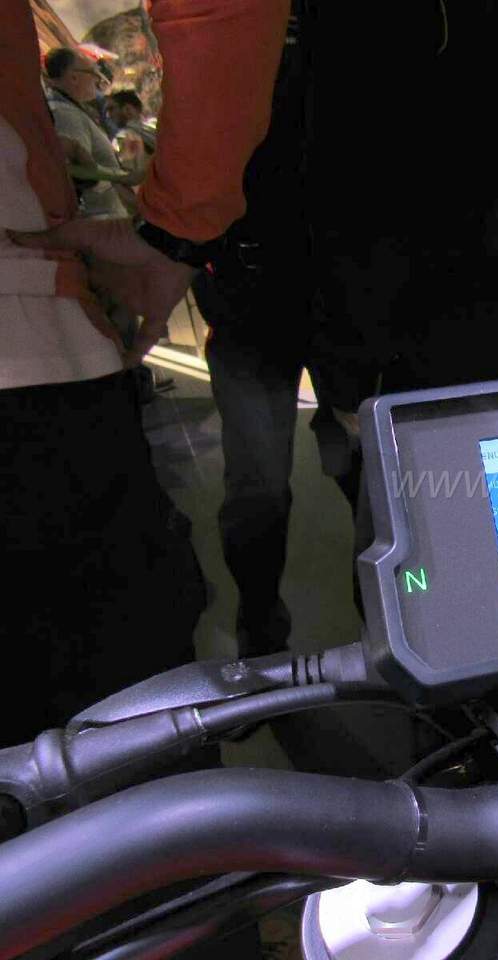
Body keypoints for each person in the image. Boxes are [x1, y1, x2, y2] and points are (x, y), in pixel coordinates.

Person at [189, 0, 498, 656]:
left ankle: (412, 668)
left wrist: (353, 363)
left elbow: (356, 180)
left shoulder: (336, 25)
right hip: (299, 299)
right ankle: (272, 626)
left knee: (405, 519)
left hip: (390, 307)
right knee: (286, 492)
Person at [1, 1, 289, 745]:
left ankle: (266, 638)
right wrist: (178, 228)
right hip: (33, 357)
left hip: (50, 353)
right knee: (127, 737)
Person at [43, 47, 134, 220]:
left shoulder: (71, 110)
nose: (97, 79)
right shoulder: (67, 115)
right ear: (74, 77)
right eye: (92, 73)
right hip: (99, 219)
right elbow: (79, 176)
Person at [106, 88, 156, 176]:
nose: (108, 115)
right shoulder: (157, 128)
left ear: (128, 109)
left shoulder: (123, 137)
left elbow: (122, 173)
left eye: (111, 109)